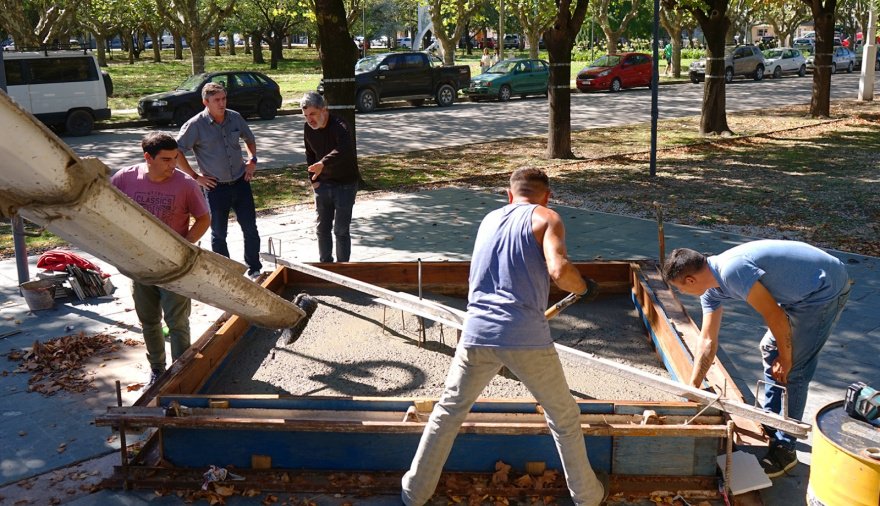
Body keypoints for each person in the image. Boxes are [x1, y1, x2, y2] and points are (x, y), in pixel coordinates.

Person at [401, 168, 608, 506]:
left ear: (508, 195)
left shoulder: (489, 219)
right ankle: (587, 495)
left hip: (476, 332)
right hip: (526, 337)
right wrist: (584, 287)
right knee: (564, 416)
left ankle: (413, 493)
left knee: (448, 412)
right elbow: (559, 271)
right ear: (547, 195)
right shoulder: (547, 217)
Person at [662, 240, 850, 478]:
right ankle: (771, 421)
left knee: (795, 370)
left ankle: (785, 448)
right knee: (769, 348)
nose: (681, 293)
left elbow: (775, 315)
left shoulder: (732, 271)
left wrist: (787, 356)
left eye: (679, 288)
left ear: (690, 280)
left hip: (823, 290)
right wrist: (693, 388)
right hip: (799, 292)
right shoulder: (710, 290)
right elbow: (707, 341)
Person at [111, 133, 210, 385]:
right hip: (139, 265)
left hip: (174, 267)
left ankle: (181, 371)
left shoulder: (186, 184)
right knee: (149, 320)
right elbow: (108, 211)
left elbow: (204, 218)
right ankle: (157, 369)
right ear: (148, 158)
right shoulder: (125, 179)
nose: (173, 165)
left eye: (175, 158)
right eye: (166, 160)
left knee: (177, 322)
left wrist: (183, 247)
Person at [175, 82, 263, 279]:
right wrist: (196, 177)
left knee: (250, 228)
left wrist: (252, 161)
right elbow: (177, 151)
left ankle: (254, 267)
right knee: (218, 233)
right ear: (205, 102)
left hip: (241, 182)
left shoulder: (235, 117)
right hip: (216, 188)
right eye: (217, 100)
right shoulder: (195, 125)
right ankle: (227, 272)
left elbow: (249, 139)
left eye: (224, 99)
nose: (222, 103)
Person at [300, 91, 361, 263]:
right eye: (306, 116)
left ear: (324, 109)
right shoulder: (308, 128)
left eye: (312, 114)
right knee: (322, 229)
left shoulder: (340, 125)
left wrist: (323, 163)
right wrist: (313, 180)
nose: (309, 119)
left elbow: (344, 149)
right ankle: (326, 267)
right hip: (323, 184)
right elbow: (309, 154)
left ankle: (343, 269)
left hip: (345, 184)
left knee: (341, 230)